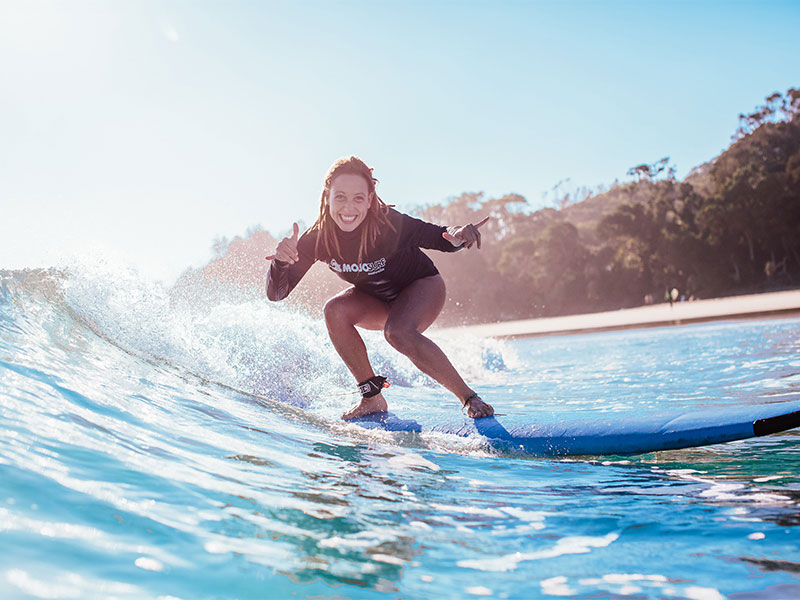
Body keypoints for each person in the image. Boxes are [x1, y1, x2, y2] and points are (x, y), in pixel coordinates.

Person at [266, 156, 495, 420]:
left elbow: (440, 237)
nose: (348, 207)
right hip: (376, 301)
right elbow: (277, 294)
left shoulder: (389, 224)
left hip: (422, 288)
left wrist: (458, 235)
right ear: (327, 198)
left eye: (358, 198)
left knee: (398, 332)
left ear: (370, 199)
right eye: (340, 197)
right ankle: (372, 398)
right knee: (334, 310)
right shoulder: (317, 238)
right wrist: (280, 264)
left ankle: (469, 397)